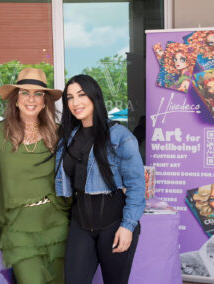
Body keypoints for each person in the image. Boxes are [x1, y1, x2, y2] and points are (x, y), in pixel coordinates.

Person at [55, 74, 146, 284]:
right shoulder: (67, 138)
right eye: (69, 97)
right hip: (80, 223)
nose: (75, 102)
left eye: (81, 95)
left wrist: (128, 226)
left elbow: (136, 185)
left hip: (114, 224)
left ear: (94, 96)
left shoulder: (119, 136)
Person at [0, 68, 71, 284]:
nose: (31, 99)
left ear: (45, 101)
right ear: (15, 100)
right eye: (25, 93)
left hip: (54, 222)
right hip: (17, 225)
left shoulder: (59, 133)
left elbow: (77, 170)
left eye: (38, 94)